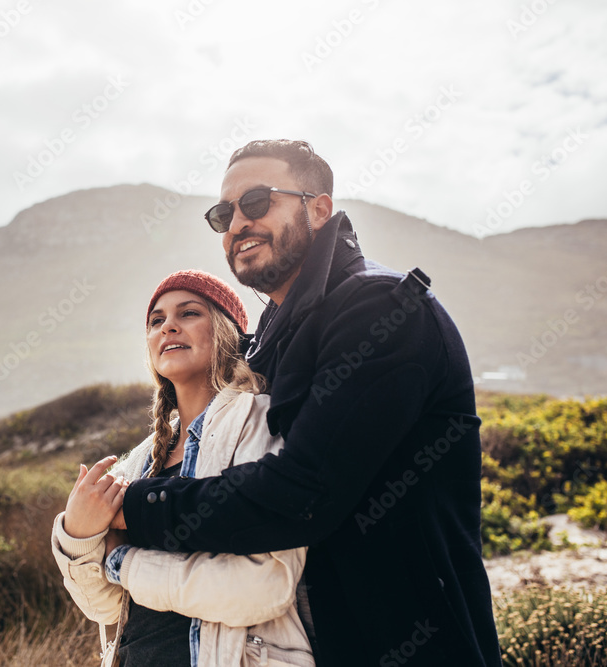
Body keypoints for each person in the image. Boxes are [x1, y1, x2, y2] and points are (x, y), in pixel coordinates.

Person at [112, 140, 503, 667]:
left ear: (319, 209)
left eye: (256, 202)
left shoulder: (379, 310)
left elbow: (304, 492)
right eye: (223, 214)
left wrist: (135, 507)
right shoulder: (278, 339)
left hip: (416, 639)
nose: (237, 225)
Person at [51, 270, 315, 666]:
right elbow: (104, 608)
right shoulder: (143, 459)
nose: (168, 326)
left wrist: (122, 561)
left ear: (225, 332)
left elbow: (261, 588)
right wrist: (77, 535)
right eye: (156, 321)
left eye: (188, 313)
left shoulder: (260, 422)